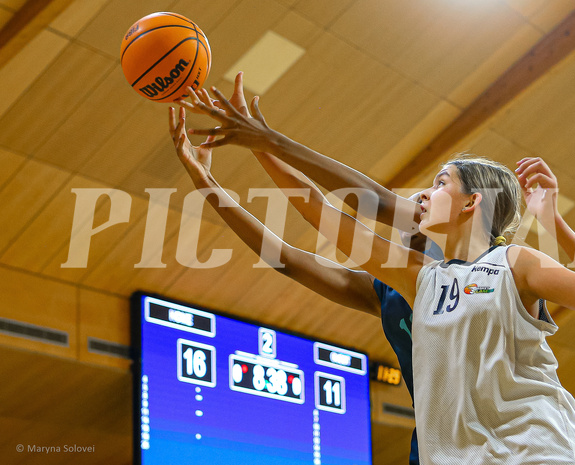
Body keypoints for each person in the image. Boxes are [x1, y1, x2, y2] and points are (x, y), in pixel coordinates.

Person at [184, 88, 575, 464]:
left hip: (538, 452)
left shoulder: (515, 263)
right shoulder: (417, 278)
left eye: (440, 183)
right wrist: (246, 156)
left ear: (471, 203)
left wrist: (555, 222)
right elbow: (318, 211)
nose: (423, 193)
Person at [171, 73, 443, 464]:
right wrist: (207, 183)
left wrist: (262, 141)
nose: (419, 203)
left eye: (432, 196)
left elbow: (342, 202)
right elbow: (285, 257)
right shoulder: (387, 292)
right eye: (418, 197)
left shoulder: (482, 271)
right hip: (438, 448)